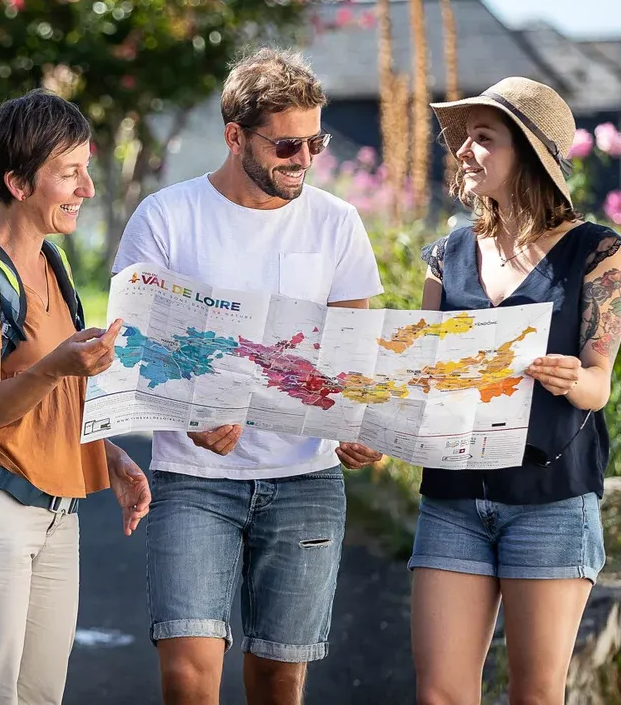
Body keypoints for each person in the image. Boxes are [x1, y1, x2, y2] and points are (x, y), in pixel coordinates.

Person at [114, 48, 384, 705]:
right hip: (193, 480)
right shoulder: (165, 216)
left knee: (279, 678)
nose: (305, 157)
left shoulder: (337, 222)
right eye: (288, 143)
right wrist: (190, 410)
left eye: (315, 140)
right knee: (186, 674)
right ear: (235, 136)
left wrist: (362, 425)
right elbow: (131, 345)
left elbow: (354, 359)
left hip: (305, 481)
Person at [0, 90, 151, 705]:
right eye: (69, 173)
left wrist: (114, 459)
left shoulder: (51, 264)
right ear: (18, 182)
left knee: (40, 696)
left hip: (55, 513)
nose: (87, 189)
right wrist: (53, 366)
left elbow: (60, 399)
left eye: (86, 169)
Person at [409, 76, 621, 705]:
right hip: (452, 499)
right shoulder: (446, 256)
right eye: (464, 139)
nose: (465, 151)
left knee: (534, 694)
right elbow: (419, 373)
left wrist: (572, 377)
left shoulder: (596, 253)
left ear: (529, 153)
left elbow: (598, 386)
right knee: (440, 694)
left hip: (550, 502)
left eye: (483, 137)